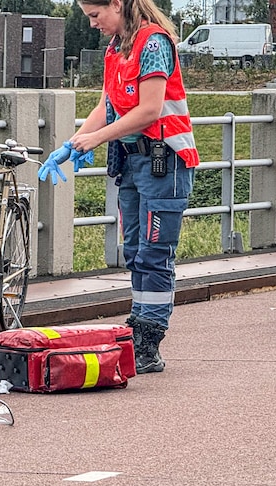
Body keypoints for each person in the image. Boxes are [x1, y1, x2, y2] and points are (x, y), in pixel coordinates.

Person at [38, 0, 199, 374]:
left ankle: (149, 337)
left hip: (165, 161)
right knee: (135, 251)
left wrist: (95, 140)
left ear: (116, 4)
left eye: (95, 16)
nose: (93, 25)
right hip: (133, 160)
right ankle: (139, 325)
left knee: (155, 253)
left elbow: (150, 110)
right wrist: (71, 142)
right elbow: (107, 104)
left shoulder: (153, 43)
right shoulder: (117, 47)